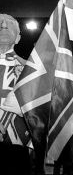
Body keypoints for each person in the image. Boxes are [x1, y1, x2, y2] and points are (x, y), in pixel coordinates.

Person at [0, 14, 31, 174]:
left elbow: (43, 108)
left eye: (10, 23)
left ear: (18, 38)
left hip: (17, 147)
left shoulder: (31, 70)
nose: (4, 24)